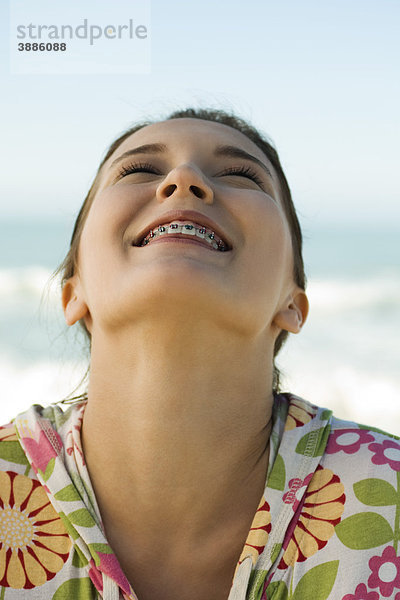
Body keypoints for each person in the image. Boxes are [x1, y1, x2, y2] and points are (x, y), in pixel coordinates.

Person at [0, 108, 399, 600]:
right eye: (139, 170)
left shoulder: (391, 495)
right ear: (72, 293)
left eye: (240, 175)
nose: (183, 179)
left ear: (292, 304)